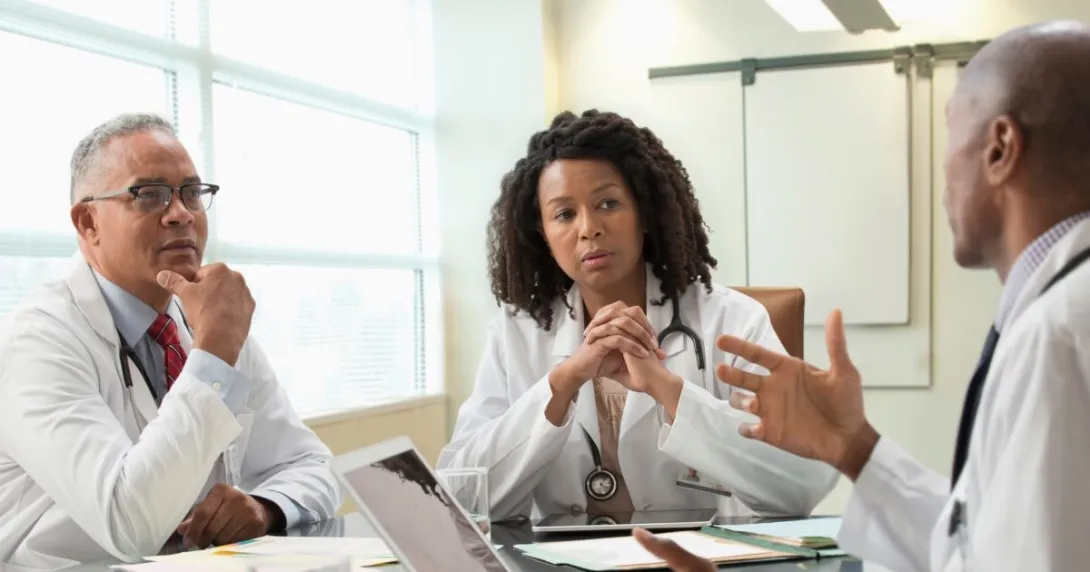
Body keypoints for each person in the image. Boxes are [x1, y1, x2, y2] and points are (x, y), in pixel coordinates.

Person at [631, 20, 1090, 572]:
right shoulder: (1060, 311)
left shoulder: (1058, 336)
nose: (945, 170)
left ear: (999, 148)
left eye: (950, 136)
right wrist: (854, 447)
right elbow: (981, 542)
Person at [438, 110, 838, 521]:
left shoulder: (731, 321)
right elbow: (462, 497)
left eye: (608, 204)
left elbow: (801, 484)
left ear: (645, 212)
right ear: (543, 234)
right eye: (564, 214)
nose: (588, 228)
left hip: (690, 553)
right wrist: (561, 385)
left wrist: (668, 389)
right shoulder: (517, 332)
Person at [0, 114, 341, 568]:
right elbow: (129, 524)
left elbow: (312, 465)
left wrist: (264, 507)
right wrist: (213, 354)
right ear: (88, 222)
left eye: (192, 193)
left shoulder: (206, 323)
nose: (181, 213)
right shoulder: (37, 342)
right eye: (150, 194)